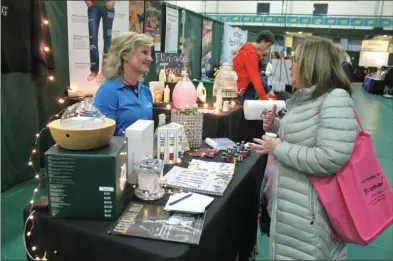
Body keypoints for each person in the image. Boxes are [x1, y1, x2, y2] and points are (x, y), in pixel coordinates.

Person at [252, 37, 358, 260]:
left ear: (312, 64)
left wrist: (278, 148)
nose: (291, 64)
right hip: (292, 208)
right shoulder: (306, 98)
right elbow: (305, 137)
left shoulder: (335, 99)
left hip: (310, 215)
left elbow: (330, 157)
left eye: (297, 59)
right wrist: (277, 125)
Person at [94, 32, 153, 136]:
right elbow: (102, 136)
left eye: (150, 54)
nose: (150, 59)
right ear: (125, 55)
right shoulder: (108, 92)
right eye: (144, 52)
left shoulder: (145, 91)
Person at [233, 30, 275, 103]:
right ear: (262, 41)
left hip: (238, 88)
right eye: (268, 45)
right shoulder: (250, 54)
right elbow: (256, 79)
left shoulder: (247, 47)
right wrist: (265, 100)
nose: (267, 49)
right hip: (243, 91)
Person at [85, 0, 116, 81]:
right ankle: (94, 70)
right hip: (93, 7)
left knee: (107, 39)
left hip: (108, 7)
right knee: (93, 39)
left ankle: (104, 70)